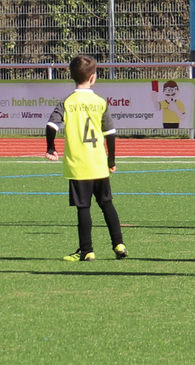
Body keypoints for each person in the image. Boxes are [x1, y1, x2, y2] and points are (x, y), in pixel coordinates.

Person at [45, 55, 128, 262]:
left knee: (83, 207)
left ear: (72, 76)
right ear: (93, 78)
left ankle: (87, 250)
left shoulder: (67, 102)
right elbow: (110, 133)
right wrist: (111, 161)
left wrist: (51, 148)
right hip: (98, 162)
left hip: (78, 164)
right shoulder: (100, 102)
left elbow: (51, 126)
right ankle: (119, 244)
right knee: (107, 204)